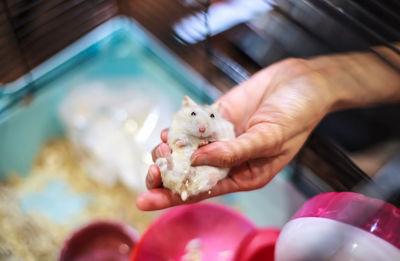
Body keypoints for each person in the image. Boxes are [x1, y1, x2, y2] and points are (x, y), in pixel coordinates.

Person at [136, 44, 400, 211]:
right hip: (339, 64)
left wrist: (317, 83)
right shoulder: (185, 120)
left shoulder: (223, 127)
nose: (203, 127)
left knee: (355, 142)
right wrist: (318, 81)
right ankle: (170, 170)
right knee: (172, 166)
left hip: (372, 119)